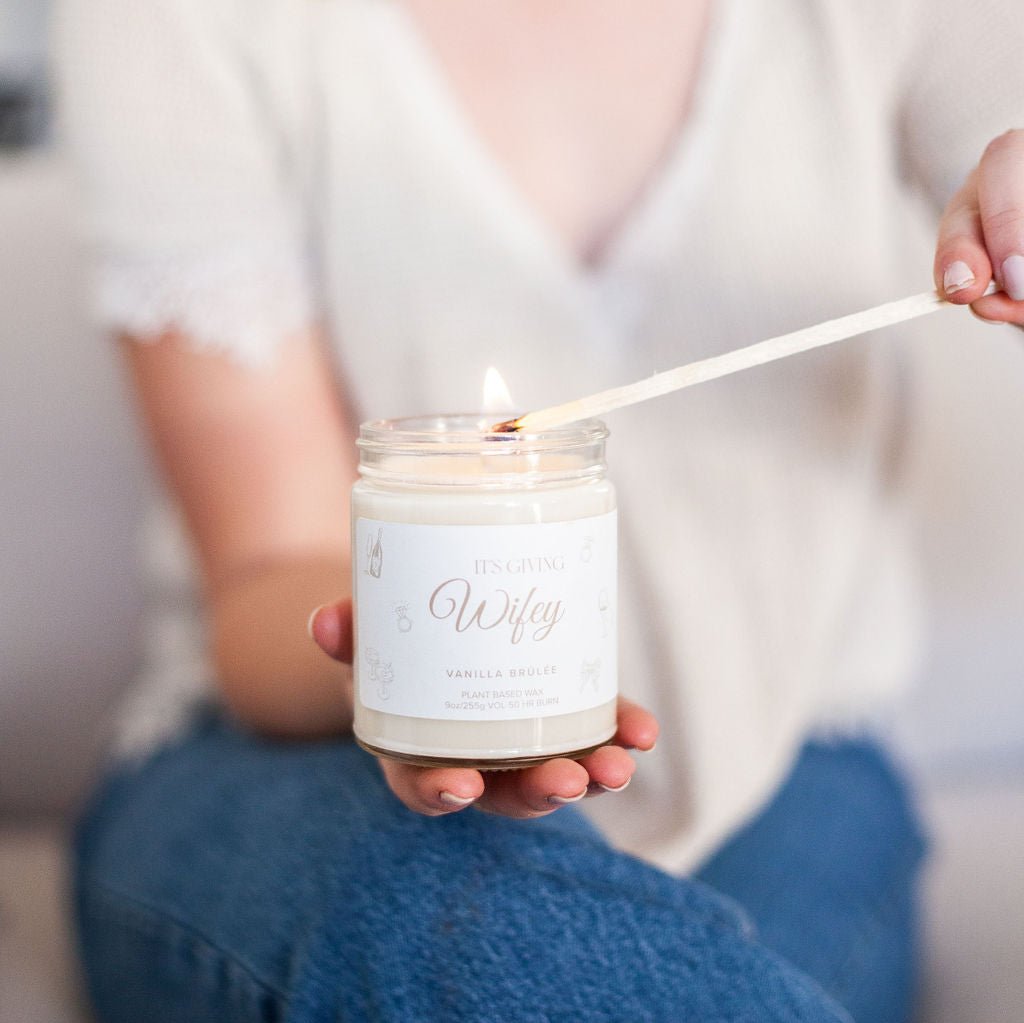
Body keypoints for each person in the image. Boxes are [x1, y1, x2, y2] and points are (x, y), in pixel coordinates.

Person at [56, 0, 1024, 1020]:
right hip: (291, 766)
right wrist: (407, 669)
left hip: (788, 761)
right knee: (451, 914)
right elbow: (265, 577)